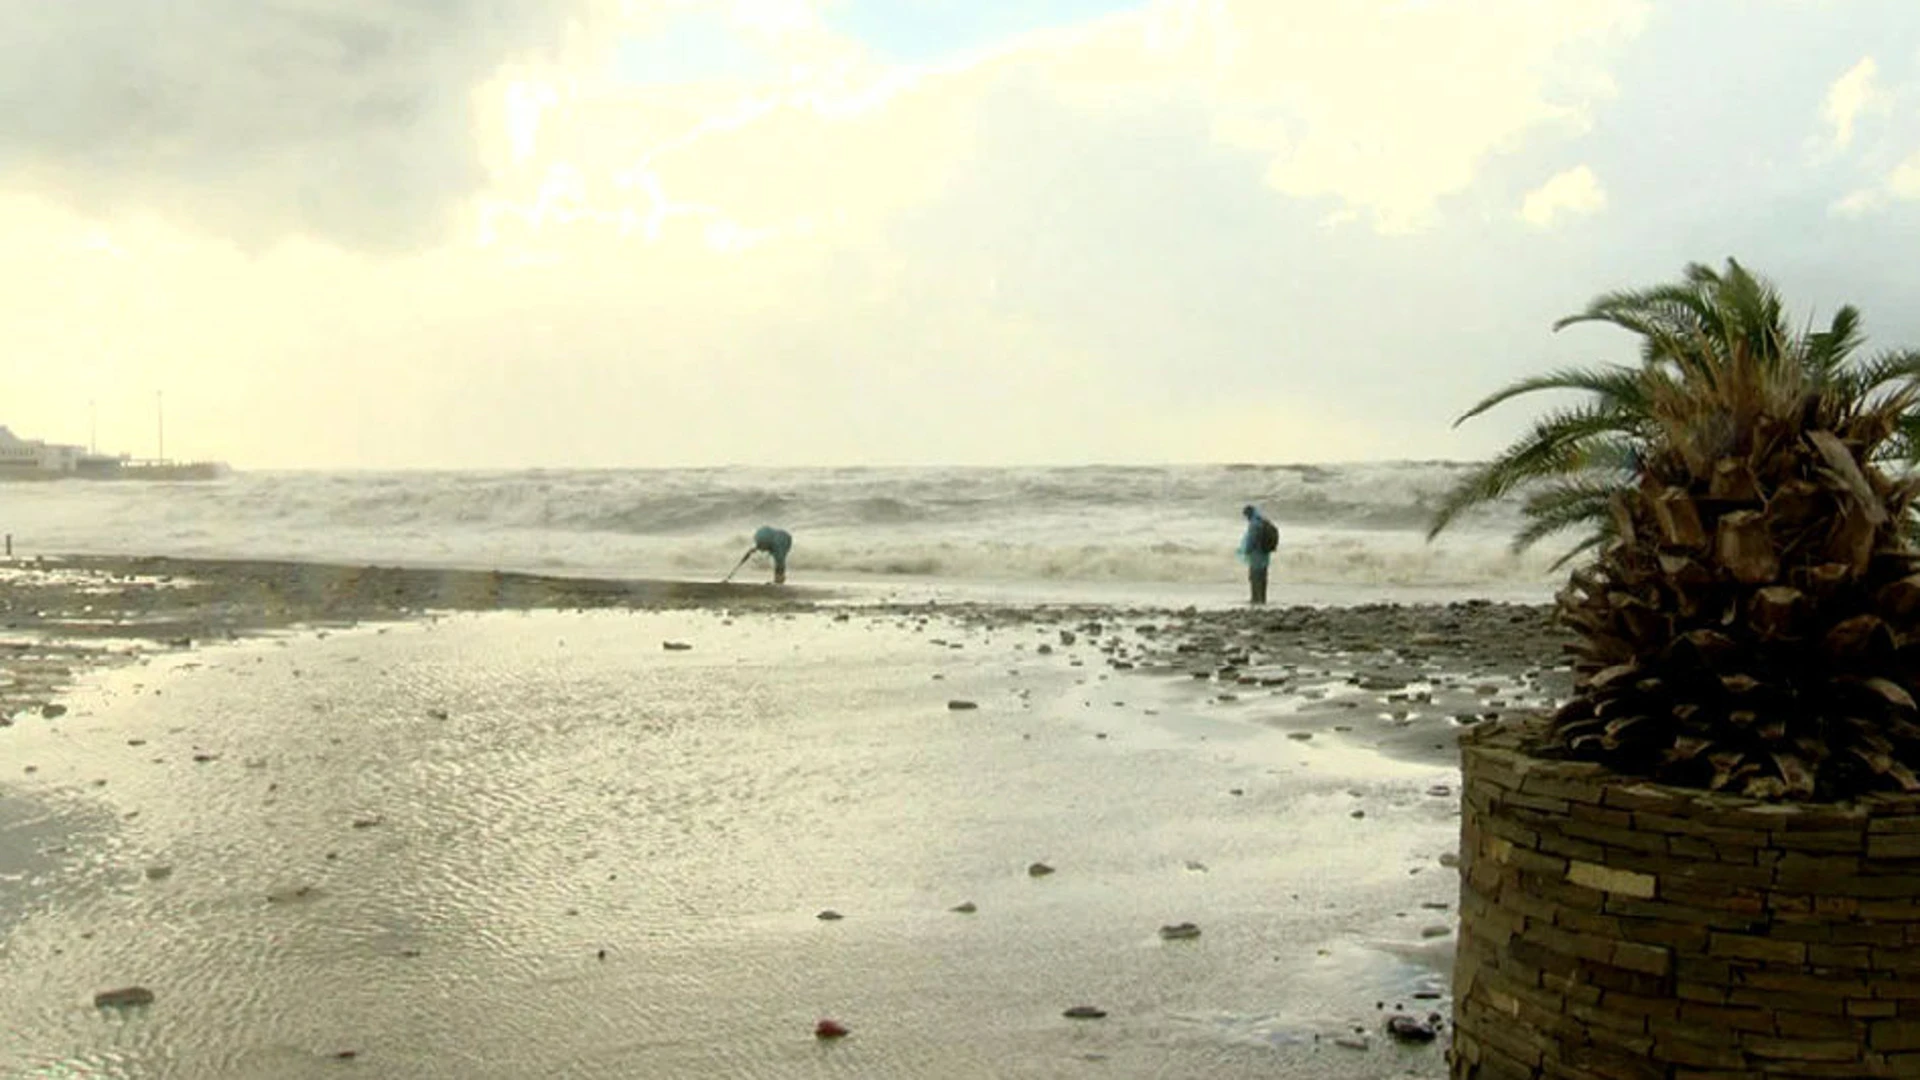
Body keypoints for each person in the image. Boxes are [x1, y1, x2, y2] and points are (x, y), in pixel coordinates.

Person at [1237, 505, 1277, 604]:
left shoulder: (1254, 524)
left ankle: (1255, 599)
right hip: (1265, 555)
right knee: (1263, 578)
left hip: (1256, 556)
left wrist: (1246, 550)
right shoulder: (1263, 521)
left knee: (1255, 578)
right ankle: (1262, 598)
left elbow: (1251, 540)